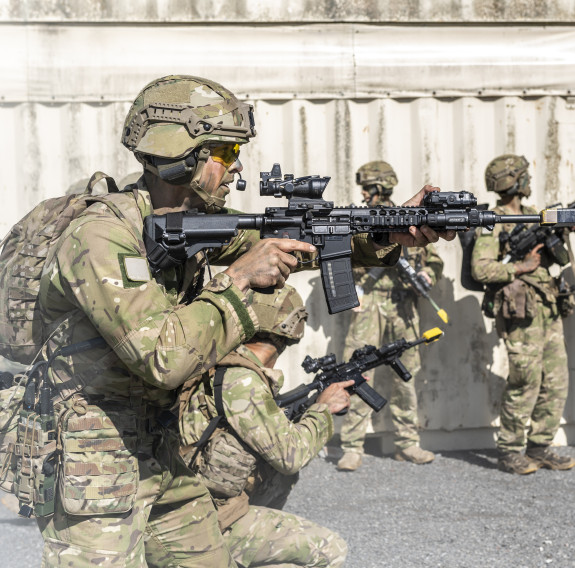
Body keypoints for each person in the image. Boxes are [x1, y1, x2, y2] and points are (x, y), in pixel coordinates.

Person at [34, 75, 450, 567]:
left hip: (161, 448)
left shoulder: (188, 222)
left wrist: (387, 231)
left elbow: (298, 245)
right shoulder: (101, 236)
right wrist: (237, 281)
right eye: (225, 154)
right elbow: (161, 358)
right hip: (95, 461)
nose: (236, 169)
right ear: (180, 154)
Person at [178, 285, 349, 568]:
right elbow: (291, 456)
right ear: (291, 329)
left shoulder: (222, 365)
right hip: (205, 522)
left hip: (201, 509)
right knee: (329, 549)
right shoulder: (241, 380)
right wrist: (323, 410)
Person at [471, 154, 575, 475]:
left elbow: (561, 258)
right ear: (512, 182)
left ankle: (541, 446)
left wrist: (562, 232)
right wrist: (521, 266)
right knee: (525, 381)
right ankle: (510, 450)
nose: (529, 181)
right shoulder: (494, 222)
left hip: (548, 306)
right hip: (520, 312)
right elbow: (480, 268)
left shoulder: (534, 215)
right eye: (524, 176)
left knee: (556, 380)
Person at [337, 161, 444, 471]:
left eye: (367, 188)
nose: (363, 194)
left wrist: (426, 274)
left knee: (406, 376)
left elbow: (433, 260)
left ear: (379, 188)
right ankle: (352, 446)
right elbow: (343, 254)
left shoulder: (407, 219)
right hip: (369, 304)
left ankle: (407, 444)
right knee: (357, 372)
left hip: (402, 305)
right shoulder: (362, 218)